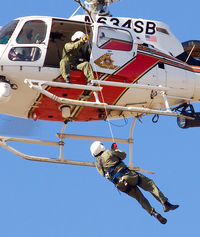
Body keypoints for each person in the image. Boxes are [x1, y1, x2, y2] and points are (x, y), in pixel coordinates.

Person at [90, 141, 179, 224]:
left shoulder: (98, 165)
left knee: (140, 198)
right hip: (128, 176)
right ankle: (165, 204)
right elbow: (123, 155)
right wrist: (115, 149)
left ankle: (153, 213)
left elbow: (104, 173)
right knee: (149, 184)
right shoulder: (108, 152)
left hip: (120, 185)